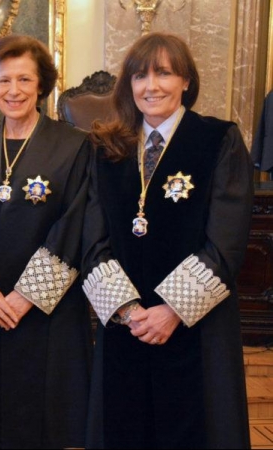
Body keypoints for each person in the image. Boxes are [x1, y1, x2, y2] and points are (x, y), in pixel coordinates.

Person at [83, 32, 252, 448]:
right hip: (126, 322)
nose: (151, 86)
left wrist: (170, 310)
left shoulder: (218, 140)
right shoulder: (108, 149)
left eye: (164, 73)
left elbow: (225, 240)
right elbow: (91, 235)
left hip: (196, 326)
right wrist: (128, 309)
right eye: (140, 76)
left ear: (186, 82)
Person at [0, 34, 92, 448]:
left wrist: (26, 295)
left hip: (47, 308)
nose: (13, 91)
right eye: (4, 81)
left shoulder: (74, 146)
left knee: (44, 420)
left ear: (41, 85)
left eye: (24, 80)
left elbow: (76, 221)